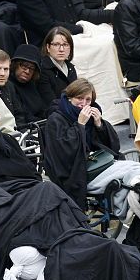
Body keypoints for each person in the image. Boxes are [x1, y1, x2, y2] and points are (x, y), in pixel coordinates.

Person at [42, 78, 120, 208]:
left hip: (92, 160)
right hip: (70, 169)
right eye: (79, 98)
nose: (84, 104)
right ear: (69, 98)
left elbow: (112, 145)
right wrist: (80, 125)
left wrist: (99, 125)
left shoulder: (92, 114)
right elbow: (63, 152)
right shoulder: (56, 118)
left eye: (88, 100)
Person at [37, 27, 78, 107]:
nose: (61, 49)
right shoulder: (43, 70)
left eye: (65, 45)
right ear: (48, 47)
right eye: (56, 45)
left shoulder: (70, 68)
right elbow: (51, 102)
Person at [8, 44, 47, 124]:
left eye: (32, 69)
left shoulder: (32, 85)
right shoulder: (9, 85)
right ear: (15, 65)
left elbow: (41, 109)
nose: (27, 71)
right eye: (24, 66)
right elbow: (23, 115)